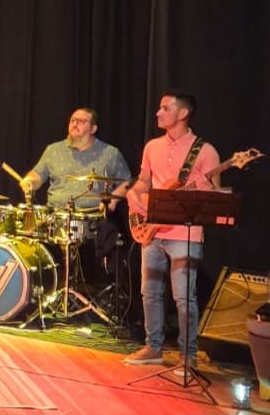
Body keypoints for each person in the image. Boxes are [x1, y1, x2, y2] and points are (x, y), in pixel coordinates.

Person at [122, 90, 220, 370]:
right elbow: (143, 180)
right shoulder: (152, 146)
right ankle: (153, 347)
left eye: (165, 108)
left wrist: (204, 190)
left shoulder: (206, 150)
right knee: (149, 292)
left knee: (183, 297)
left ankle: (187, 355)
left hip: (185, 234)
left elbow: (214, 196)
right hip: (152, 230)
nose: (158, 113)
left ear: (183, 113)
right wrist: (134, 194)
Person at [20, 107, 132, 210]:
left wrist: (111, 200)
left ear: (93, 129)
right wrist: (30, 181)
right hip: (55, 215)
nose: (75, 124)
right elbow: (37, 175)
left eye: (81, 121)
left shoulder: (110, 153)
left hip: (93, 217)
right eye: (72, 120)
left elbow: (127, 183)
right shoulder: (53, 150)